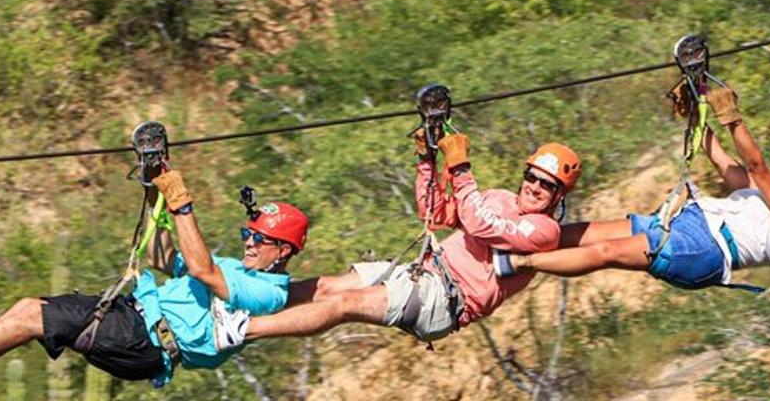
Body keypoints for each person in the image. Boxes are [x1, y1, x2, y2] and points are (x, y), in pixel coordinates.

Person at [0, 169, 310, 401]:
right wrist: (156, 195)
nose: (249, 243)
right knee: (27, 313)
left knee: (28, 317)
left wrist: (183, 203)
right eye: (248, 235)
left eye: (260, 239)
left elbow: (200, 268)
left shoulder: (269, 295)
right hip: (137, 322)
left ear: (283, 252)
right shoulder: (239, 267)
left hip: (147, 341)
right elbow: (162, 259)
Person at [209, 130, 581, 349]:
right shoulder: (500, 198)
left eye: (546, 185)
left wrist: (461, 170)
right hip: (423, 272)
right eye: (532, 177)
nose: (535, 187)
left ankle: (244, 330)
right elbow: (439, 214)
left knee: (345, 305)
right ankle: (247, 302)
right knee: (326, 286)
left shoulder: (544, 232)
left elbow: (480, 224)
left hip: (444, 299)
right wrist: (426, 160)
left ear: (559, 195)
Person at [499, 85, 770, 289]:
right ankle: (513, 237)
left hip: (705, 250)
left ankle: (519, 262)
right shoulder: (764, 196)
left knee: (606, 252)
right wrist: (695, 111)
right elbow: (720, 159)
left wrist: (732, 117)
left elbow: (757, 165)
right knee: (580, 232)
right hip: (687, 221)